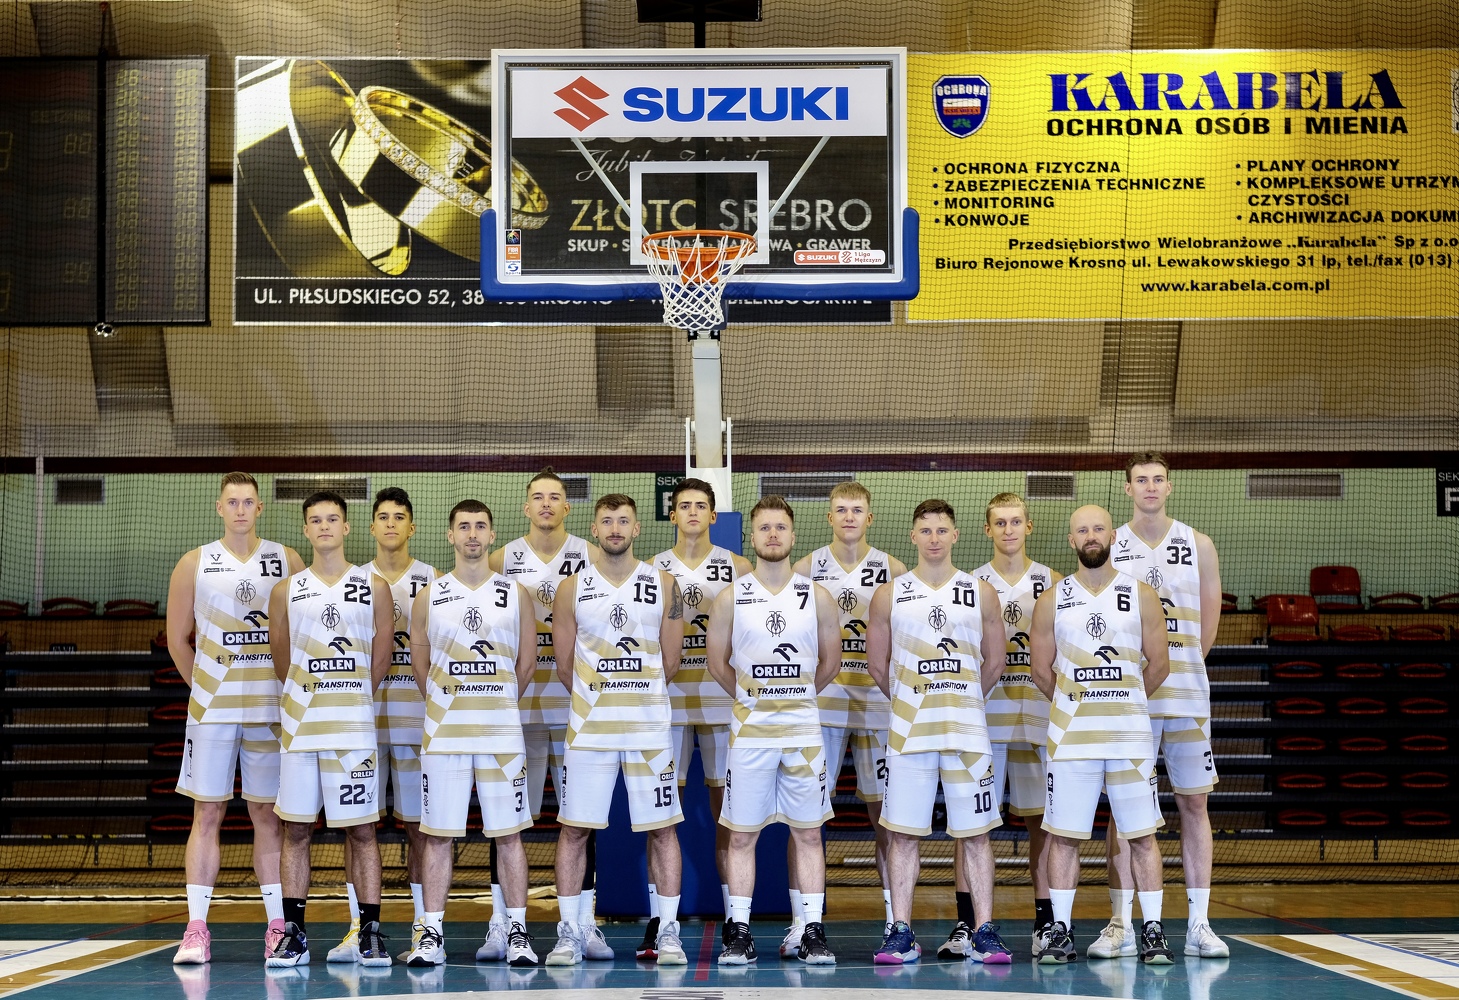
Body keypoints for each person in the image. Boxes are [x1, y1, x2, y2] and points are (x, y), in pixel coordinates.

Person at [167, 472, 304, 965]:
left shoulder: (287, 559)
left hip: (270, 708)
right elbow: (176, 639)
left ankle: (276, 927)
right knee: (207, 813)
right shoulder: (194, 563)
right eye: (233, 502)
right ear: (219, 507)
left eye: (248, 502)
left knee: (267, 815)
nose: (241, 509)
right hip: (213, 710)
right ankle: (196, 930)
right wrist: (205, 688)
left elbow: (300, 634)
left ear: (260, 508)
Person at [545, 494, 688, 966]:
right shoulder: (571, 588)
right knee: (574, 830)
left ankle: (667, 933)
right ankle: (569, 933)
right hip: (590, 729)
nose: (614, 528)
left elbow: (671, 661)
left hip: (649, 729)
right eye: (606, 520)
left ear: (637, 529)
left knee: (663, 830)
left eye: (623, 520)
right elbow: (564, 665)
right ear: (594, 529)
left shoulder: (664, 583)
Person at [1028, 505, 1174, 966]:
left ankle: (1152, 930)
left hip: (1130, 737)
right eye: (1082, 530)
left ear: (1112, 536)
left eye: (1098, 528)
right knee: (1064, 837)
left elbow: (1160, 665)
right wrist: (1076, 704)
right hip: (1071, 737)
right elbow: (1039, 670)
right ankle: (1061, 931)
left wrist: (1124, 701)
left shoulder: (1141, 594)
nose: (1090, 536)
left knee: (1142, 836)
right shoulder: (1052, 599)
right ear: (1071, 540)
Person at [866, 499, 1009, 965]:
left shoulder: (981, 592)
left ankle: (983, 931)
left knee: (977, 835)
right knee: (902, 835)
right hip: (909, 733)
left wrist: (962, 699)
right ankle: (900, 932)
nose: (933, 538)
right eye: (925, 530)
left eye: (942, 530)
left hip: (967, 732)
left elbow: (996, 662)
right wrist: (913, 701)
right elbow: (876, 664)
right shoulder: (889, 594)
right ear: (913, 536)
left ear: (955, 535)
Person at [1097, 453, 1228, 959]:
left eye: (1157, 479)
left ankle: (1199, 924)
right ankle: (1121, 925)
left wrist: (1182, 665)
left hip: (1187, 695)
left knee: (1194, 804)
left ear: (1169, 487)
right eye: (1141, 480)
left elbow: (1208, 625)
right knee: (1124, 810)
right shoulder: (1111, 545)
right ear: (1127, 489)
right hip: (1129, 697)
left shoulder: (1199, 544)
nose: (1150, 487)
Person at [705, 496, 842, 966]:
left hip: (803, 732)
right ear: (752, 537)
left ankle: (812, 931)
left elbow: (830, 663)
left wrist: (795, 697)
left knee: (808, 834)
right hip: (750, 734)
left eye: (780, 527)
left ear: (793, 535)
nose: (772, 535)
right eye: (764, 528)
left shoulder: (817, 596)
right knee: (742, 836)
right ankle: (739, 933)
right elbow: (717, 663)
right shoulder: (731, 596)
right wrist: (753, 699)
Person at [264, 491, 393, 968]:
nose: (324, 526)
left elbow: (381, 660)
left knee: (362, 831)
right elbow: (282, 658)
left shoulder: (373, 585)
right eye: (315, 520)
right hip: (301, 728)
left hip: (353, 729)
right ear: (306, 529)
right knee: (296, 831)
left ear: (347, 527)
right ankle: (294, 934)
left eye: (332, 519)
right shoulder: (286, 590)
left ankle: (370, 933)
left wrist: (350, 695)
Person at [407, 500, 537, 967]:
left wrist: (497, 701)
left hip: (501, 733)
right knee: (438, 836)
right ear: (450, 536)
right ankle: (432, 934)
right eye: (463, 526)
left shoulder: (515, 593)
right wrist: (447, 701)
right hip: (445, 733)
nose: (472, 534)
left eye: (481, 526)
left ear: (492, 534)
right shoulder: (430, 594)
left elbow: (527, 663)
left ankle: (517, 931)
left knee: (509, 835)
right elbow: (420, 664)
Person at [488, 468, 609, 959]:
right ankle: (501, 923)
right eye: (537, 497)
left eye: (554, 497)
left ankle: (584, 923)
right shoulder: (501, 559)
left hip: (575, 708)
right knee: (506, 822)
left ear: (567, 507)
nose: (545, 504)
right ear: (526, 507)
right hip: (514, 710)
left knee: (580, 821)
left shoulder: (592, 555)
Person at [790, 481, 907, 952]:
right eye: (841, 510)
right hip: (823, 707)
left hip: (879, 707)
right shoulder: (805, 568)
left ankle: (894, 921)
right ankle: (802, 923)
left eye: (857, 510)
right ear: (829, 517)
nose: (849, 517)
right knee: (806, 819)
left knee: (888, 821)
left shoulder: (894, 570)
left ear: (870, 517)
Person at [645, 478, 751, 958]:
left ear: (713, 515)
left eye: (700, 505)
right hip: (665, 704)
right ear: (673, 515)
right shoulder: (651, 570)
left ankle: (734, 920)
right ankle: (660, 920)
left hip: (721, 702)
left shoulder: (738, 567)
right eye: (683, 505)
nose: (692, 512)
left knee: (727, 812)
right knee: (660, 815)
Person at [330, 487, 436, 964]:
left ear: (412, 527)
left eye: (400, 517)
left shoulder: (434, 581)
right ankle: (359, 927)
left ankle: (423, 926)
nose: (391, 524)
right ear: (371, 527)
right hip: (362, 721)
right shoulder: (351, 581)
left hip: (417, 719)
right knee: (358, 827)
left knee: (419, 829)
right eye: (383, 517)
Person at [964, 492, 1061, 957]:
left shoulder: (1054, 583)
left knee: (1043, 823)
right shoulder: (970, 584)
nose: (1008, 529)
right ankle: (967, 924)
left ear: (1029, 526)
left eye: (1015, 521)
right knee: (973, 825)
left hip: (1040, 716)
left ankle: (1045, 922)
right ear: (987, 530)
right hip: (985, 718)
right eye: (1000, 522)